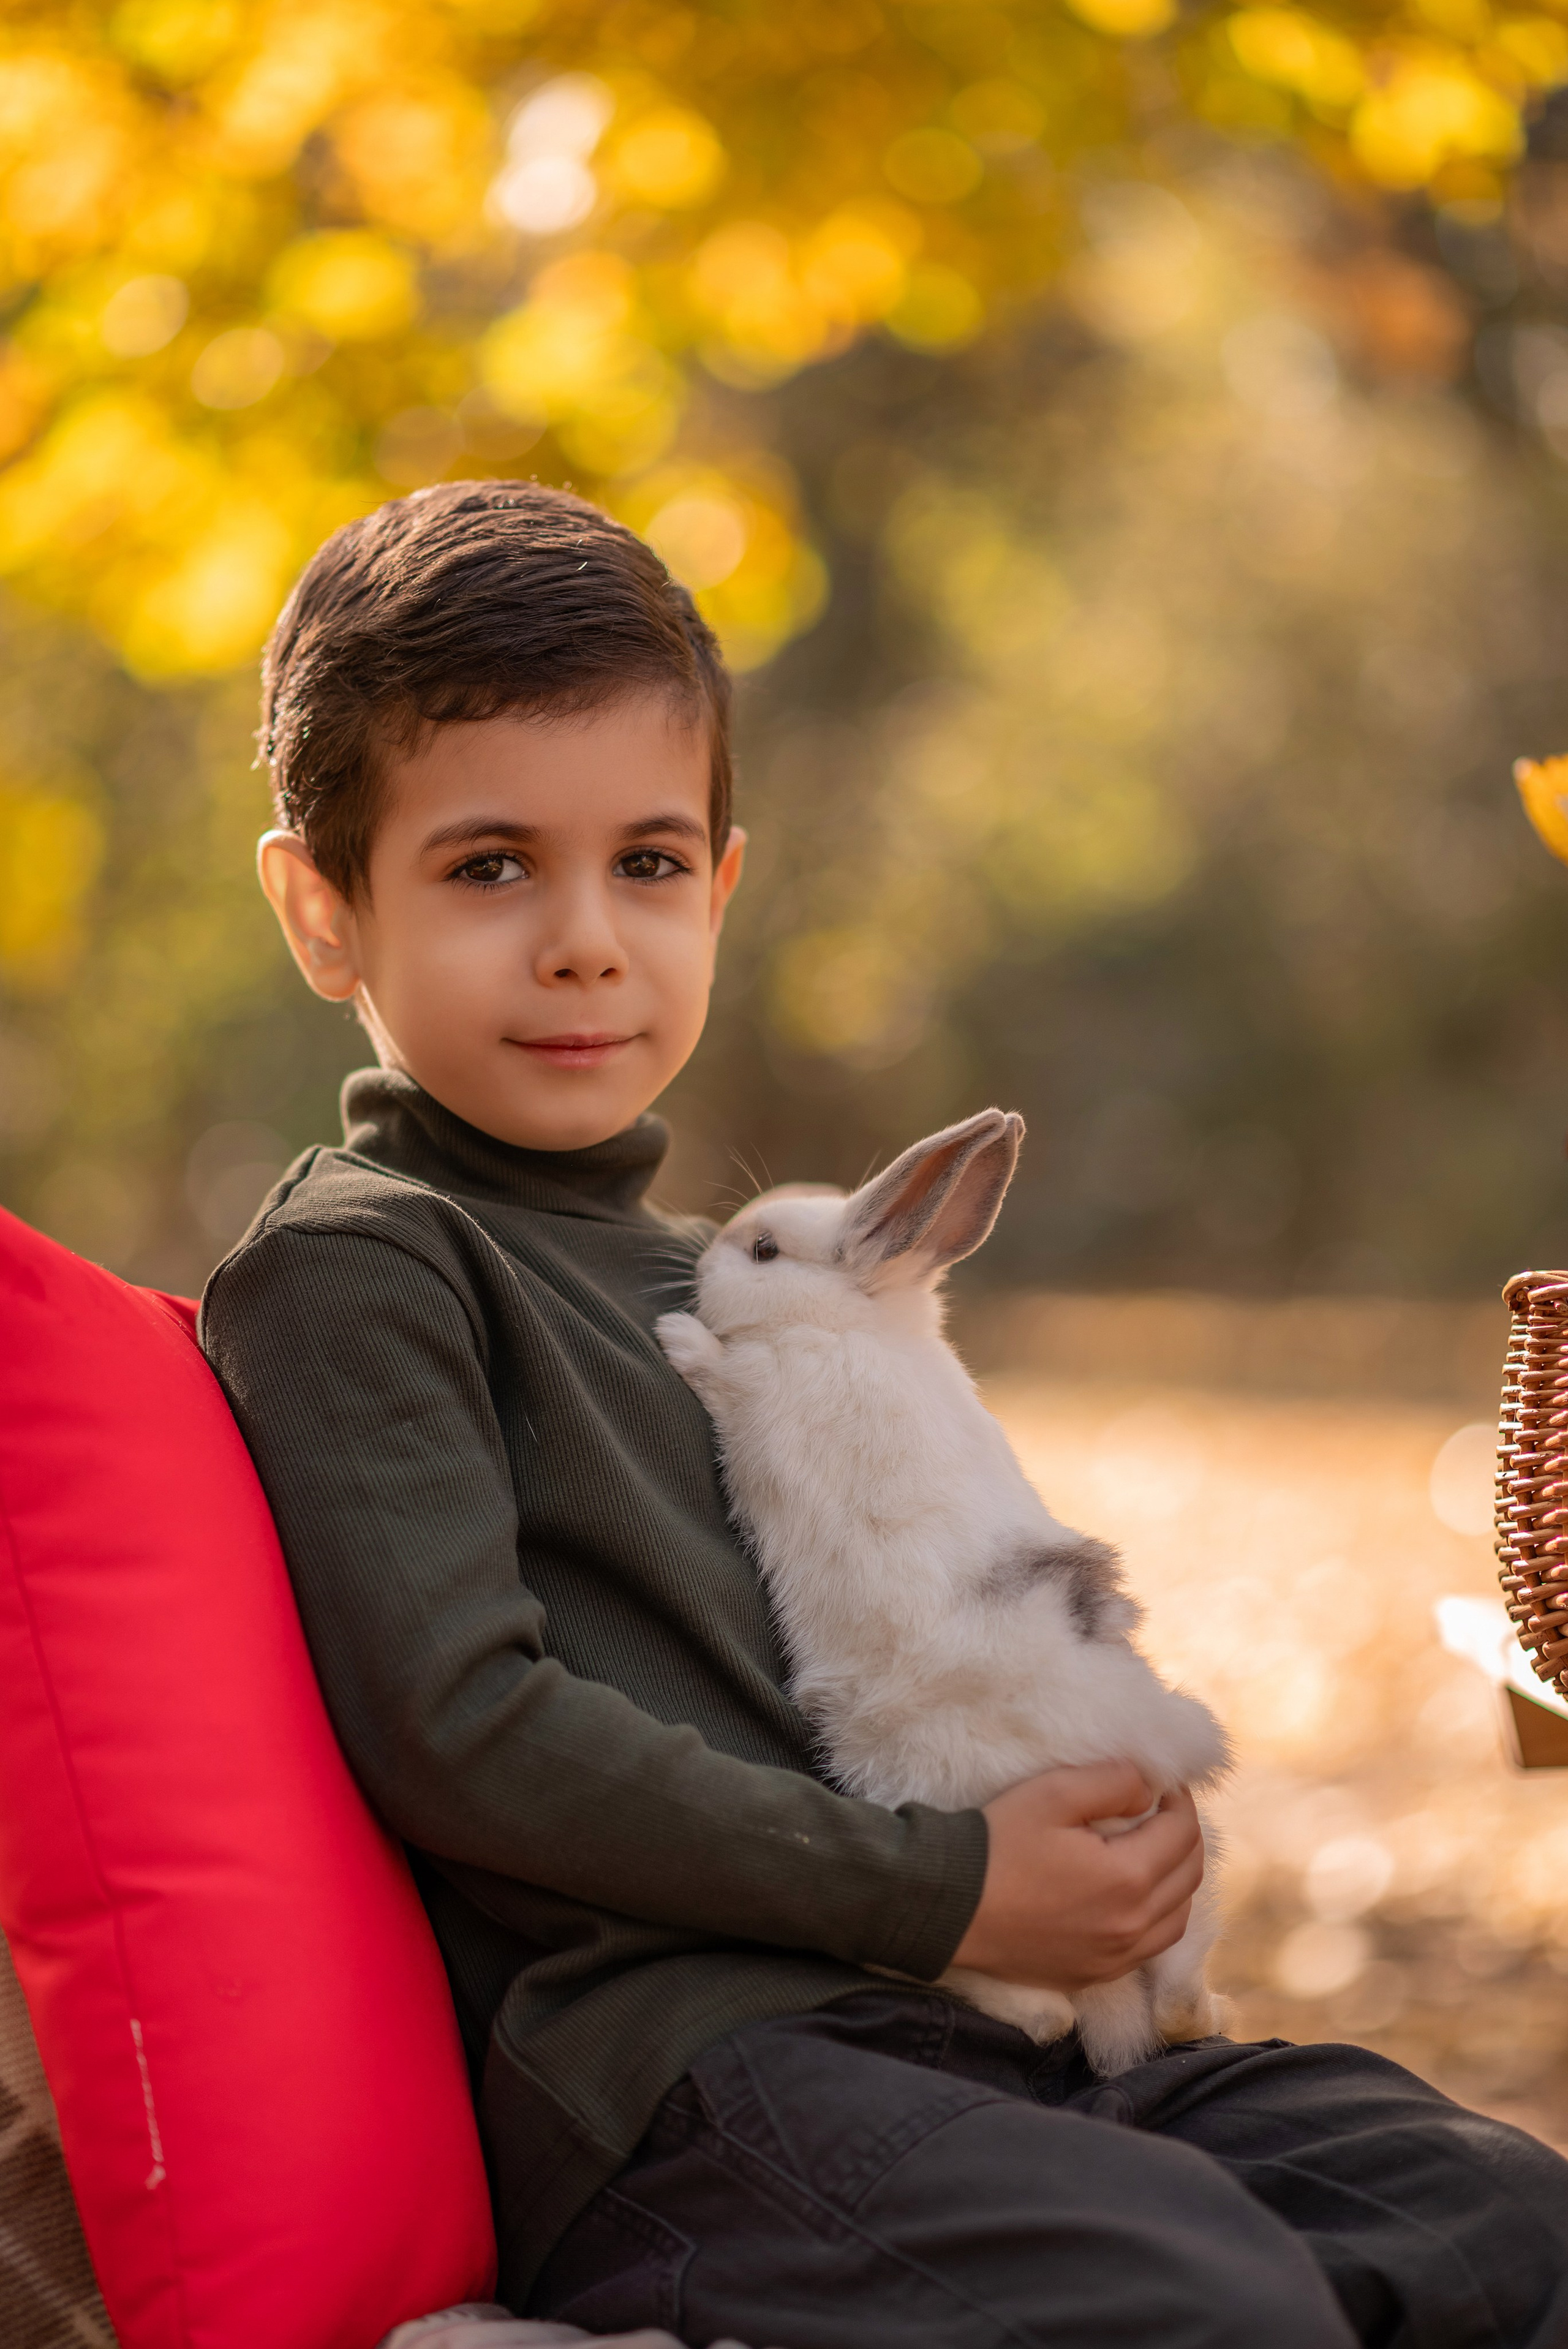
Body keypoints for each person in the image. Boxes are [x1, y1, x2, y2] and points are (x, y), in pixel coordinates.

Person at [202, 478, 1568, 2349]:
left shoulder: (749, 1285)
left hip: (988, 2032)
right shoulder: (367, 1265)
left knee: (1503, 2221)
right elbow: (470, 1730)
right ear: (322, 909)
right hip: (700, 2090)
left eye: (649, 862)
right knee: (1203, 2305)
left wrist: (1087, 1810)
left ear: (722, 886)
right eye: (491, 865)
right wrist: (951, 1889)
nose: (586, 938)